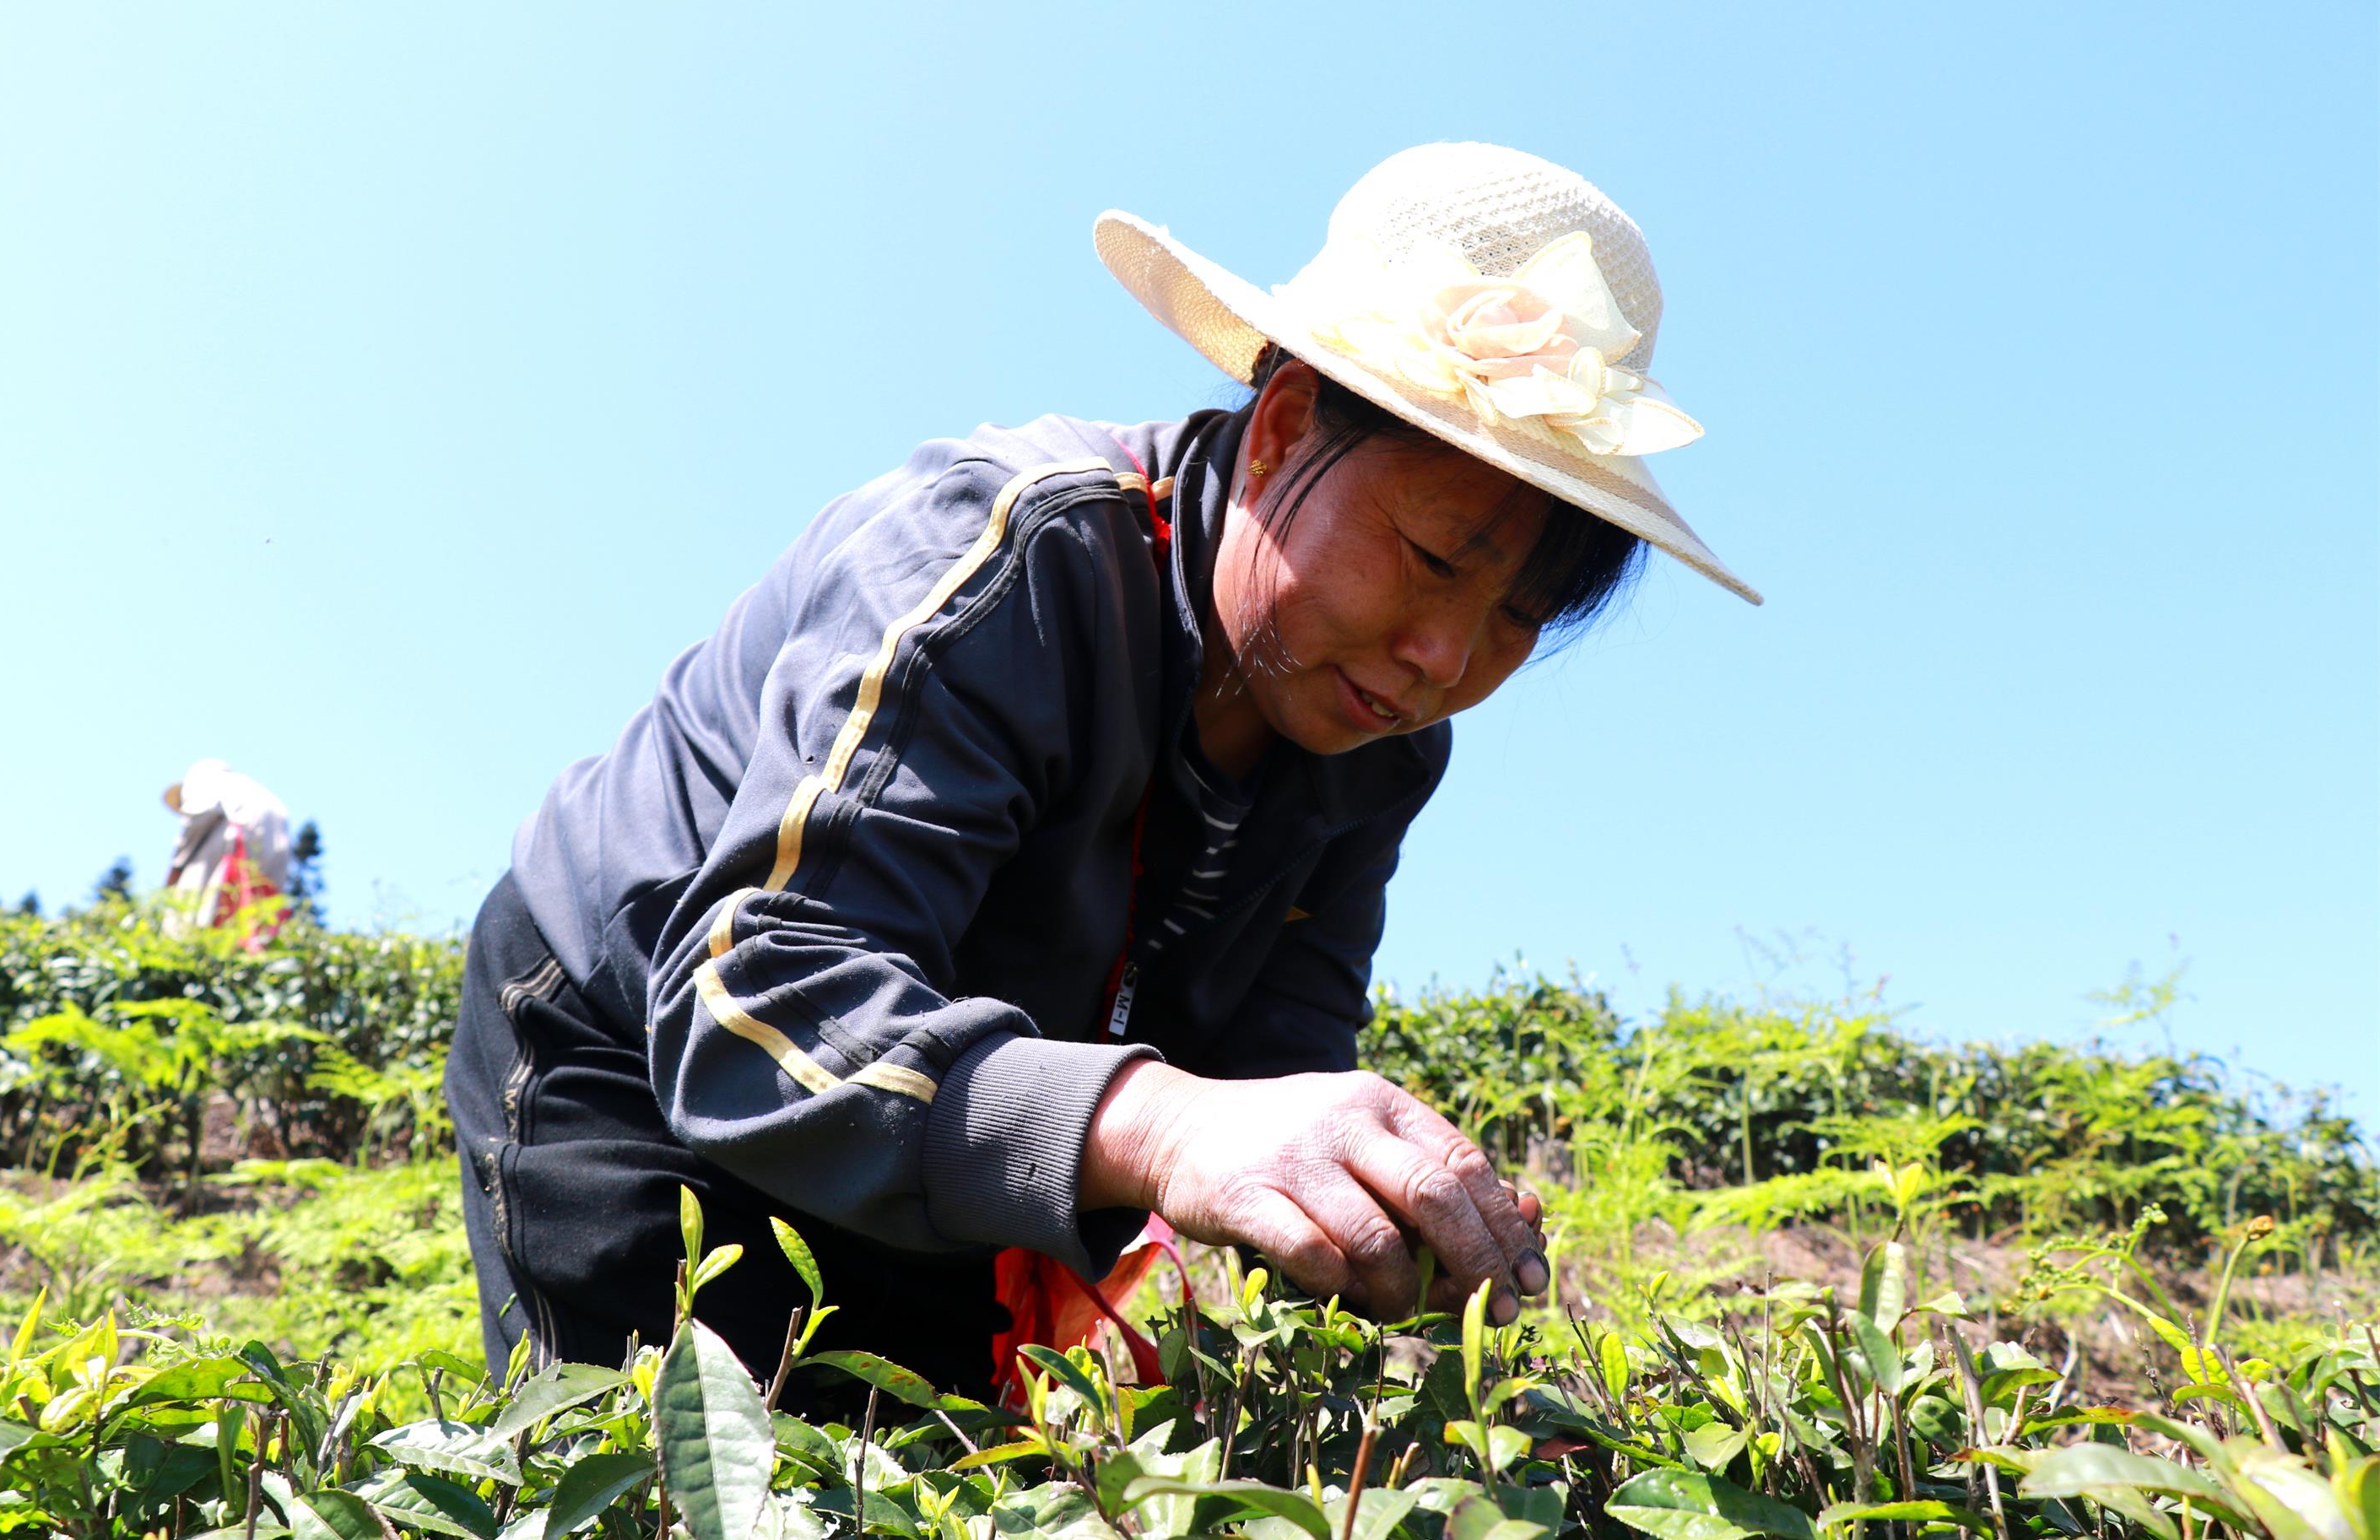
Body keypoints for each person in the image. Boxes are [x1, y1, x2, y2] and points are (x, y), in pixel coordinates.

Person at [444, 143, 1760, 1397]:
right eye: (1430, 558)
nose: (1442, 657)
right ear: (1287, 425)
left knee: (927, 1511)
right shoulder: (1008, 558)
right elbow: (761, 1003)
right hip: (635, 1047)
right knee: (697, 1514)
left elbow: (1275, 1051)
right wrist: (1172, 1131)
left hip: (940, 1095)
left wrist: (1366, 1211)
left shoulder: (1379, 741)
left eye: (1518, 619)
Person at [161, 758, 294, 946]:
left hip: (232, 842)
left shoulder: (206, 780)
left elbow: (196, 821)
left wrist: (176, 870)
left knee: (196, 898)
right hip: (269, 861)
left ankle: (188, 945)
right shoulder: (253, 790)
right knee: (250, 917)